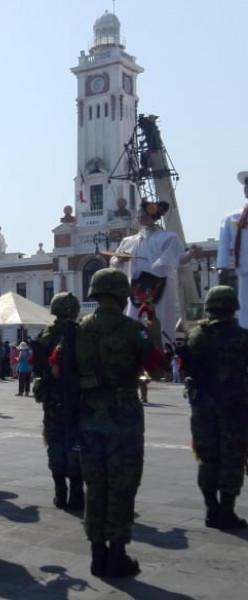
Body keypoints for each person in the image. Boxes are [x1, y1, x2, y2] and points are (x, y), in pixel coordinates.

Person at [61, 268, 166, 578]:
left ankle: (97, 554)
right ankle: (117, 554)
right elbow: (158, 370)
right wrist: (155, 332)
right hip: (124, 418)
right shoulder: (132, 330)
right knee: (122, 486)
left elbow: (57, 367)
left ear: (94, 293)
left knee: (95, 485)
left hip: (88, 418)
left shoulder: (78, 331)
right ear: (122, 296)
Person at [178, 286, 248, 530]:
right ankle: (226, 512)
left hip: (202, 409)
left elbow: (188, 372)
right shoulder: (242, 336)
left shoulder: (195, 336)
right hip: (235, 408)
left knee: (207, 459)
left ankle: (211, 509)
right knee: (232, 459)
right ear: (232, 307)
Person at [110, 200, 198, 346]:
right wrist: (120, 259)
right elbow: (114, 261)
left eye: (143, 214)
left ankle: (166, 356)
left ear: (153, 215)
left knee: (162, 323)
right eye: (138, 213)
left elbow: (181, 258)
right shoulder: (129, 241)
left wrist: (192, 253)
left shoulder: (168, 237)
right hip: (137, 287)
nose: (139, 216)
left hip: (161, 286)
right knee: (134, 321)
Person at [31, 293, 84, 510]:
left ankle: (60, 491)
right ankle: (77, 492)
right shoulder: (83, 333)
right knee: (76, 444)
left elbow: (37, 367)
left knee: (55, 443)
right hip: (78, 398)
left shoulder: (46, 334)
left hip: (53, 399)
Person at [217, 171, 248, 327]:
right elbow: (223, 245)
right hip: (245, 273)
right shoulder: (232, 218)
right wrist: (223, 268)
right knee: (245, 315)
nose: (247, 188)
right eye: (246, 184)